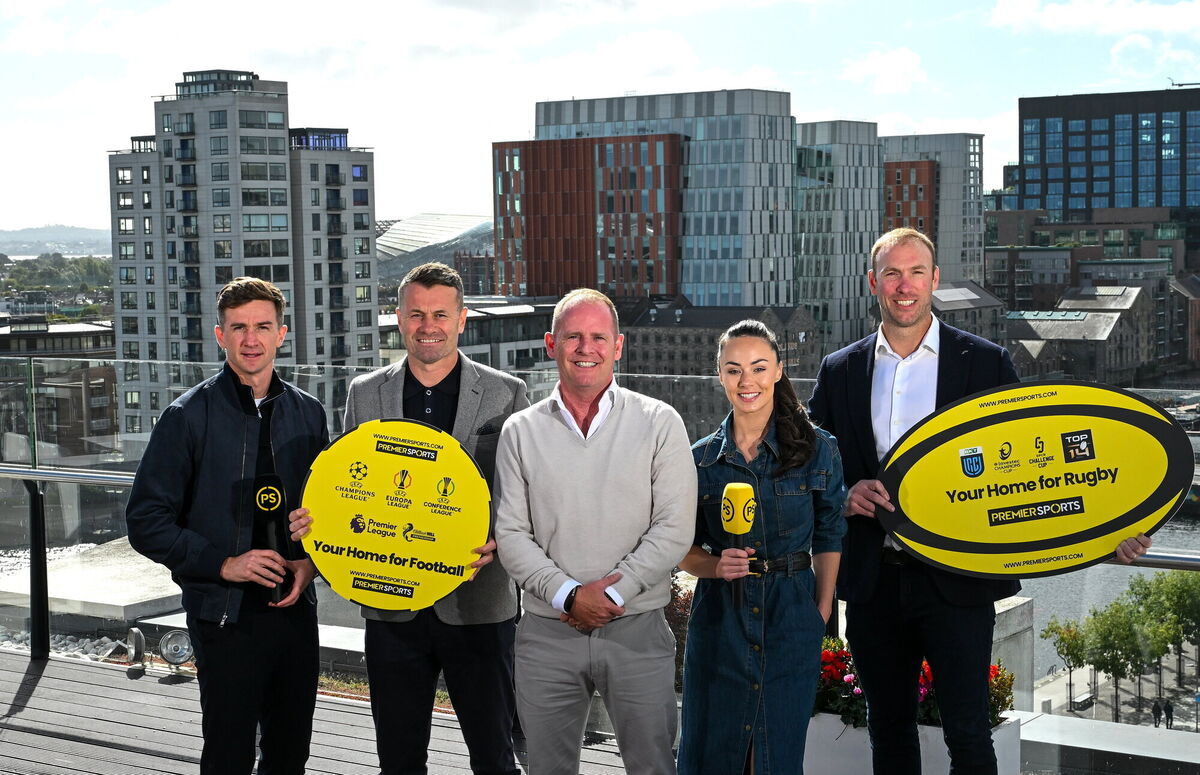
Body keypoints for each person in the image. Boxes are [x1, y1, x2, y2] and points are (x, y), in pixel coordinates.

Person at [808, 227, 1153, 774]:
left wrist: (1108, 535)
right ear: (873, 282)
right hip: (874, 580)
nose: (905, 286)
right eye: (892, 273)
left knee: (969, 732)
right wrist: (844, 492)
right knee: (887, 728)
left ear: (935, 279)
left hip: (957, 582)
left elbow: (1045, 473)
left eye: (916, 272)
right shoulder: (840, 369)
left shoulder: (986, 363)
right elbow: (809, 466)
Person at [289, 262, 528, 775]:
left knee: (495, 756)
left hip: (479, 602)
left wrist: (505, 544)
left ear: (462, 319)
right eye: (416, 313)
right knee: (398, 760)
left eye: (440, 314)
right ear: (398, 318)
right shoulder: (365, 392)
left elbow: (523, 492)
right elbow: (349, 488)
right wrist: (320, 525)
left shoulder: (507, 392)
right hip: (389, 602)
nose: (428, 326)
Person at [126, 277, 327, 774]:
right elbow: (146, 520)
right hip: (224, 615)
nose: (251, 339)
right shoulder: (186, 417)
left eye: (262, 326)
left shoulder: (309, 413)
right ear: (220, 336)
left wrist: (311, 563)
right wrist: (224, 563)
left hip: (294, 610)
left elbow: (329, 512)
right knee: (228, 754)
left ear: (282, 333)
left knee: (289, 754)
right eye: (238, 327)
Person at [494, 288, 696, 775]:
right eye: (573, 336)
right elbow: (511, 535)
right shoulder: (519, 431)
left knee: (652, 767)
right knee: (547, 768)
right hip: (546, 635)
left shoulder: (660, 423)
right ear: (550, 343)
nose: (586, 348)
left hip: (639, 629)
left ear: (618, 346)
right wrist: (568, 596)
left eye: (598, 337)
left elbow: (674, 529)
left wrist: (608, 596)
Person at [677, 320, 846, 774]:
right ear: (719, 375)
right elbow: (681, 548)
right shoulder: (698, 460)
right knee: (715, 751)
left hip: (791, 615)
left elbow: (831, 534)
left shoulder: (818, 449)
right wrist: (714, 567)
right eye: (733, 370)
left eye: (758, 367)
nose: (746, 381)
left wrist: (822, 609)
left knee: (774, 753)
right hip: (721, 619)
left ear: (778, 371)